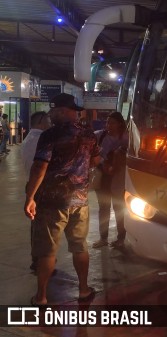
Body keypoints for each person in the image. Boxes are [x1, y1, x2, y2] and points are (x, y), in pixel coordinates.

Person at [24, 93, 100, 305]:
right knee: (79, 246)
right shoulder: (89, 134)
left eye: (53, 111)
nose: (51, 115)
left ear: (62, 111)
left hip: (52, 202)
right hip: (79, 201)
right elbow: (95, 160)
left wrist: (30, 197)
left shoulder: (50, 135)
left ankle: (41, 297)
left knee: (47, 251)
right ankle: (84, 290)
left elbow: (40, 167)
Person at [20, 111, 52, 272]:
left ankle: (37, 260)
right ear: (41, 121)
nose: (50, 123)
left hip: (32, 186)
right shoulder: (40, 139)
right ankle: (41, 263)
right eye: (48, 120)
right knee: (43, 228)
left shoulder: (28, 139)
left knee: (36, 226)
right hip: (39, 188)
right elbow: (40, 168)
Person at [92, 111, 128, 249]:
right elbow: (93, 152)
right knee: (104, 208)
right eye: (107, 122)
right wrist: (103, 164)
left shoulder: (126, 137)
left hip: (119, 177)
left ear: (119, 124)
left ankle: (121, 238)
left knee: (119, 207)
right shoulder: (99, 135)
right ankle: (103, 238)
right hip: (103, 176)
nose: (108, 125)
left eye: (112, 122)